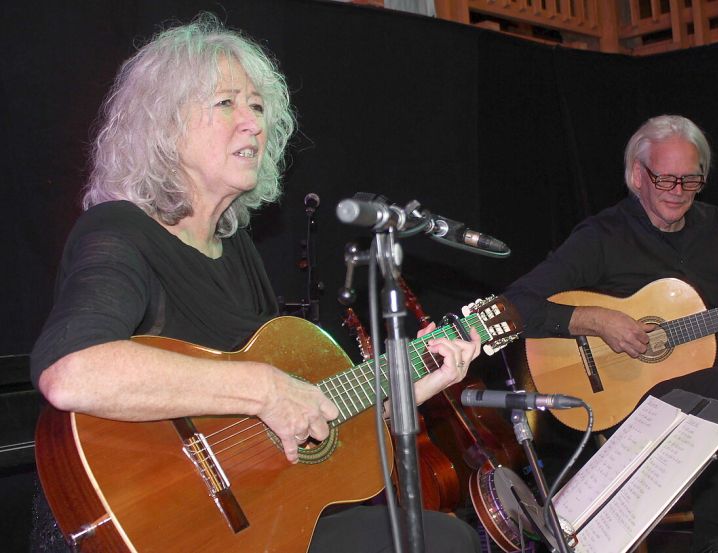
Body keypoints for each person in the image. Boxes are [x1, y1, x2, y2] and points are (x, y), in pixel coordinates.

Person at [30, 14, 481, 553]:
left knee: (446, 538)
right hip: (152, 524)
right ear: (164, 125)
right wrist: (264, 388)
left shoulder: (237, 248)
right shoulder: (119, 230)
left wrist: (402, 392)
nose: (253, 124)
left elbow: (299, 421)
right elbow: (72, 373)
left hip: (258, 520)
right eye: (226, 103)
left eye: (259, 107)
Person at [504, 115, 718, 553]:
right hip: (634, 407)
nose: (678, 191)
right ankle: (710, 541)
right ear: (636, 176)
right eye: (665, 179)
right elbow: (516, 305)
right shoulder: (602, 236)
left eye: (691, 179)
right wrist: (594, 320)